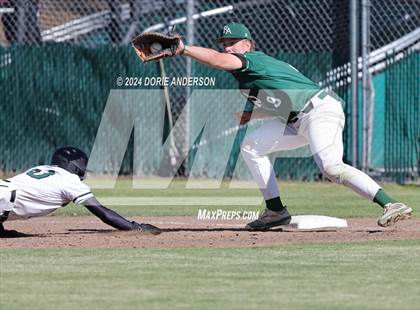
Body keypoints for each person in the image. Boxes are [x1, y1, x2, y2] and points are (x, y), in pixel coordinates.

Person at [174, 22, 412, 230]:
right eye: (224, 43)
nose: (227, 47)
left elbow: (216, 60)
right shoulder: (250, 75)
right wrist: (252, 115)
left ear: (247, 44)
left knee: (331, 167)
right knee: (251, 146)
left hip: (319, 112)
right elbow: (281, 101)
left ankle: (391, 203)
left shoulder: (251, 60)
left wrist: (184, 49)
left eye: (233, 42)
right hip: (298, 120)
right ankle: (276, 211)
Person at [0, 146, 161, 236]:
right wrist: (134, 227)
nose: (83, 168)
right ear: (73, 164)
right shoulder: (70, 181)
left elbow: (22, 197)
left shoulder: (42, 168)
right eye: (82, 163)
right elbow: (102, 212)